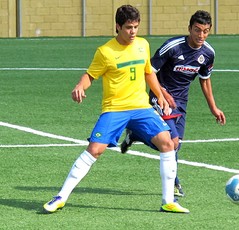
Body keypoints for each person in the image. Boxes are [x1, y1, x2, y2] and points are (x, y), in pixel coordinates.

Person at [43, 5, 189, 214]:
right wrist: (79, 86)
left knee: (168, 143)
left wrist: (160, 94)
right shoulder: (105, 52)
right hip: (115, 109)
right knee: (95, 150)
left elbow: (148, 72)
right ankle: (60, 197)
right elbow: (90, 75)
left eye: (136, 27)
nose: (133, 32)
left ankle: (168, 201)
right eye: (129, 27)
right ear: (118, 27)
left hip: (141, 108)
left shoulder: (143, 45)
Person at [121, 10, 226, 197]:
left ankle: (136, 134)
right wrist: (163, 93)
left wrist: (213, 108)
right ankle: (175, 184)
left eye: (206, 31)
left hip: (181, 103)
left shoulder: (208, 53)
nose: (201, 35)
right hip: (159, 96)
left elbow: (205, 79)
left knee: (175, 144)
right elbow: (148, 72)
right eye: (197, 30)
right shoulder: (172, 47)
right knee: (173, 142)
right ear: (189, 29)